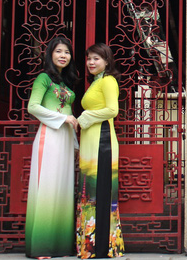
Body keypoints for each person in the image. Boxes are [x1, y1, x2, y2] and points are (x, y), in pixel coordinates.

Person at [25, 36, 79, 258]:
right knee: (47, 189)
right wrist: (64, 118)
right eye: (58, 51)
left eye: (66, 52)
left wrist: (74, 140)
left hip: (65, 140)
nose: (63, 55)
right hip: (49, 137)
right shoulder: (43, 79)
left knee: (63, 189)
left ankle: (60, 245)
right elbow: (33, 107)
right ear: (50, 54)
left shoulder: (65, 83)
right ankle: (42, 246)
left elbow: (66, 111)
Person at [76, 43, 125, 258]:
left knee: (100, 194)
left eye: (96, 58)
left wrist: (85, 117)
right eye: (89, 59)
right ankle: (89, 247)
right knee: (91, 194)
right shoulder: (96, 82)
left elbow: (113, 110)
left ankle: (102, 248)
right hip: (92, 143)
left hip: (102, 143)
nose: (91, 63)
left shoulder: (108, 80)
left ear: (107, 61)